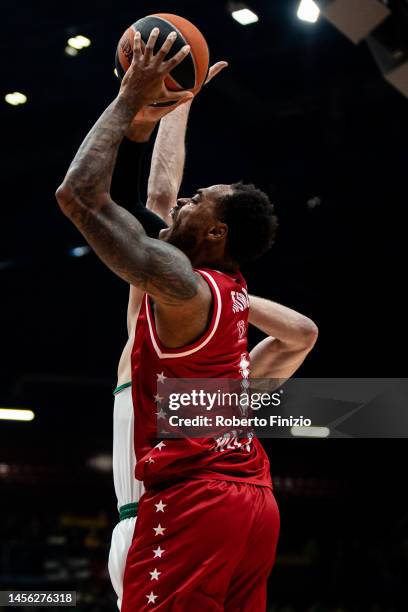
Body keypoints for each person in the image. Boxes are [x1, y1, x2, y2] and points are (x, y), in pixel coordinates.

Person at [57, 28, 318, 611]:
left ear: (216, 233)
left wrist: (133, 96)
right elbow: (162, 197)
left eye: (199, 202)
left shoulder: (176, 292)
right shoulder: (230, 307)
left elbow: (84, 197)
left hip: (170, 513)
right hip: (252, 499)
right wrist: (182, 101)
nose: (184, 201)